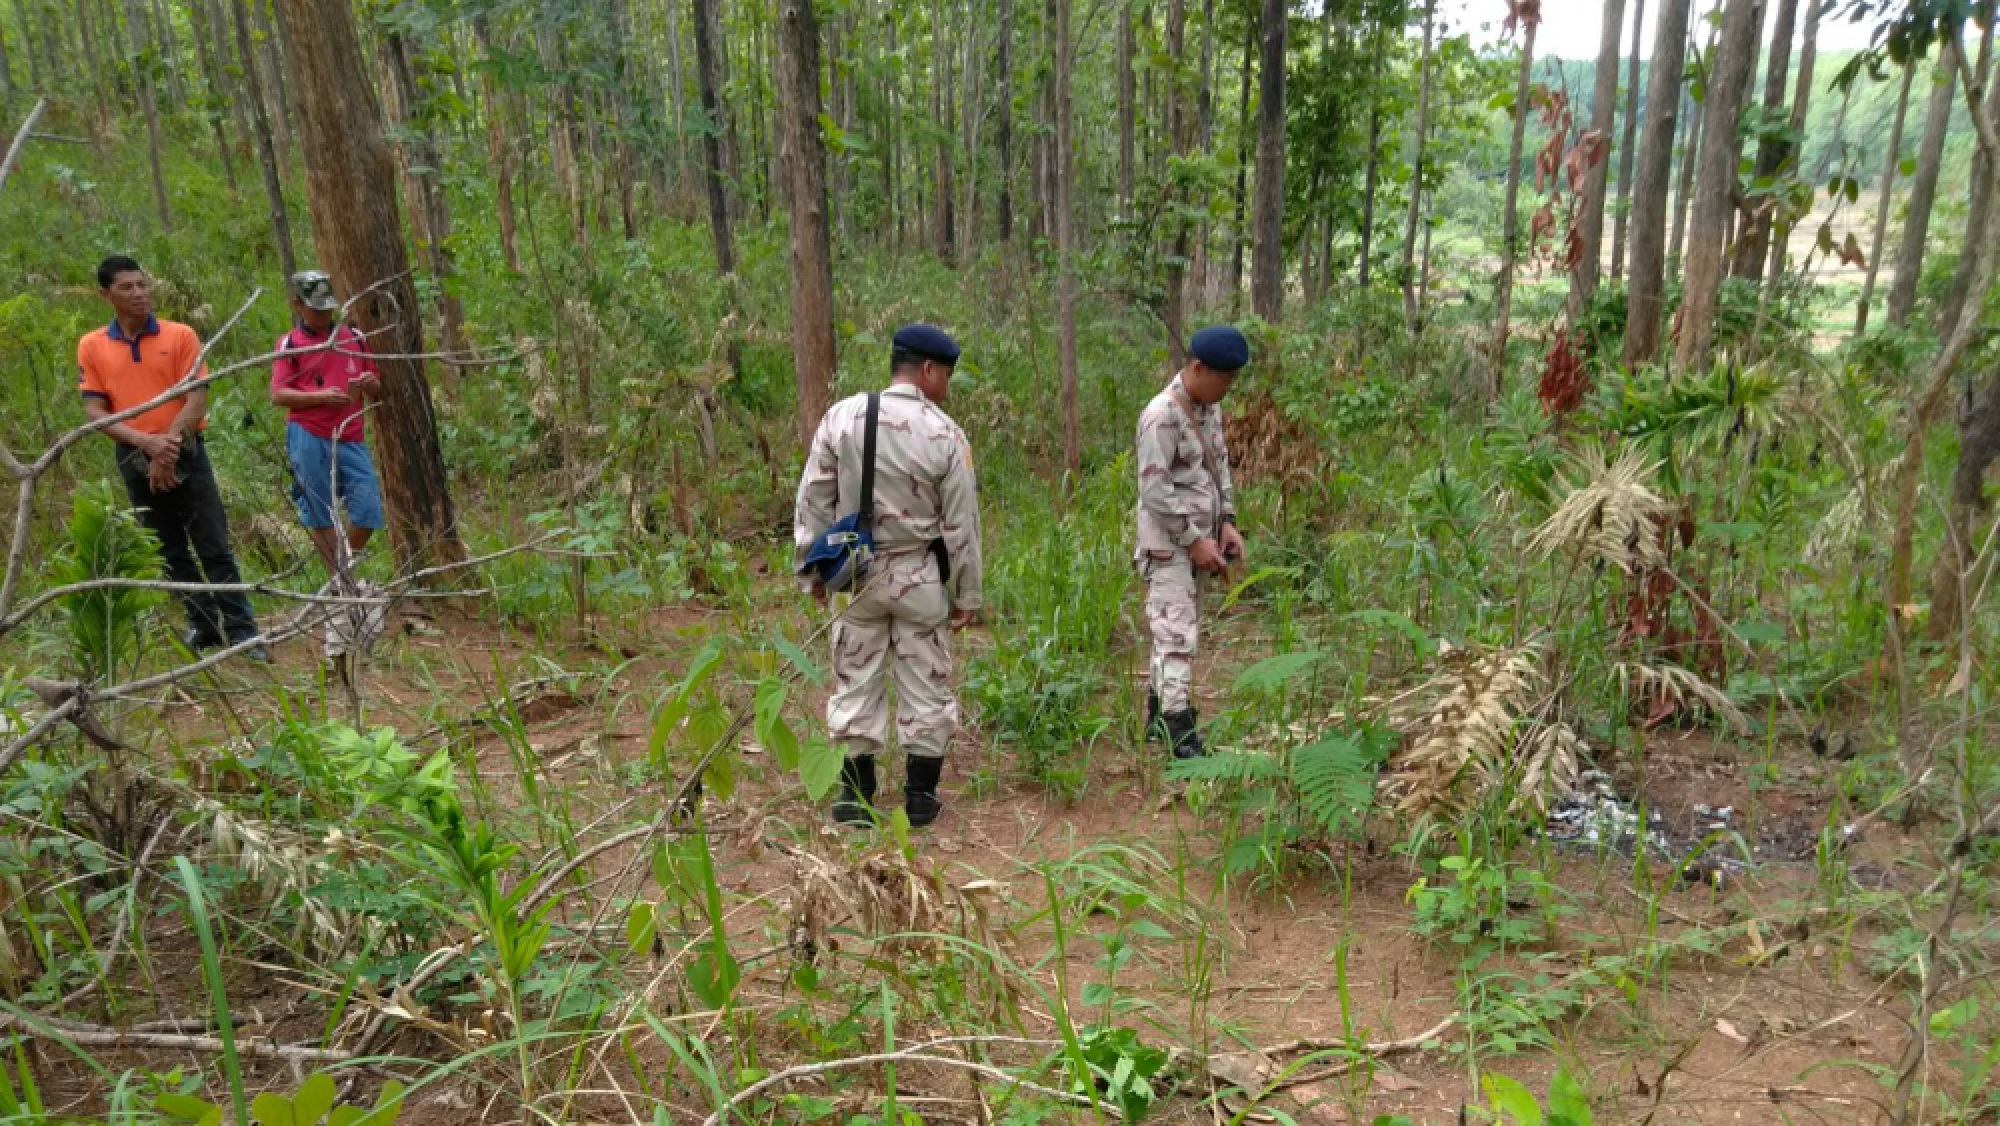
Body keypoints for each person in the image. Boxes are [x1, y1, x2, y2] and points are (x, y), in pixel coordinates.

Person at [793, 325, 983, 829]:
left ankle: (853, 801)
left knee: (855, 678)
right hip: (919, 574)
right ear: (926, 370)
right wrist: (966, 593)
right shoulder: (946, 433)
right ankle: (921, 799)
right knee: (926, 683)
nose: (945, 385)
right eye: (945, 374)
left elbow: (814, 496)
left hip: (857, 573)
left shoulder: (843, 417)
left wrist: (810, 569)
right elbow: (962, 525)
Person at [77, 255, 265, 659]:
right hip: (133, 456)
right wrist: (146, 445)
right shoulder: (93, 345)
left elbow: (197, 396)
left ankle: (243, 631)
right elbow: (95, 412)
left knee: (213, 543)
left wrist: (168, 445)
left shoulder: (180, 335)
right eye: (126, 287)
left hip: (187, 452)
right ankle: (203, 625)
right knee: (167, 548)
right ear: (105, 294)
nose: (139, 294)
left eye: (142, 284)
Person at [1134, 325, 1250, 760]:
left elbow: (1218, 468)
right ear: (1198, 368)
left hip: (1200, 540)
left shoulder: (1207, 409)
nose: (1227, 388)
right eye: (1224, 378)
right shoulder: (1161, 415)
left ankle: (1158, 716)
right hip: (1169, 546)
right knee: (1176, 634)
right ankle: (1179, 732)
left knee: (1173, 629)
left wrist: (1227, 524)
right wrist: (1194, 539)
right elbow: (1155, 491)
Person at [269, 270, 385, 575]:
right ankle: (339, 581)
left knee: (368, 510)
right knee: (318, 509)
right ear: (298, 305)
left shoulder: (355, 338)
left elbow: (376, 386)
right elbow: (278, 394)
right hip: (308, 435)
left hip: (350, 434)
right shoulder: (291, 344)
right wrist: (320, 397)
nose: (323, 314)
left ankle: (342, 567)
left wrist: (369, 383)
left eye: (327, 307)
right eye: (315, 308)